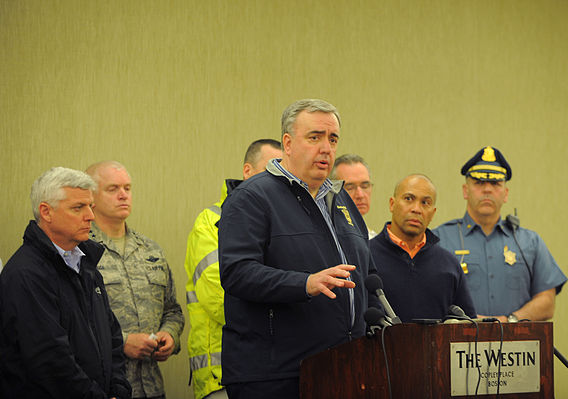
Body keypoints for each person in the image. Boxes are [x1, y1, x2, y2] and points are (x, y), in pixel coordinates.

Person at [218, 99, 376, 399]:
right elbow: (237, 273)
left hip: (343, 367)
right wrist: (305, 283)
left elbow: (368, 275)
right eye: (314, 137)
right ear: (288, 144)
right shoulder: (252, 198)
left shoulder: (342, 201)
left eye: (333, 139)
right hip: (275, 376)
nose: (326, 148)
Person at [0, 167, 131, 398]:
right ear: (46, 212)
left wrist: (119, 390)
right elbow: (50, 362)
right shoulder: (26, 274)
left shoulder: (86, 264)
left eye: (90, 206)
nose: (90, 215)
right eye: (78, 207)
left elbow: (113, 338)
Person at [184, 139, 282, 399]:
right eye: (271, 169)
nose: (277, 179)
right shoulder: (212, 221)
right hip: (223, 372)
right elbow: (221, 298)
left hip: (273, 370)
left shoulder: (281, 221)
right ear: (247, 171)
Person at [434, 146, 567, 322]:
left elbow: (547, 303)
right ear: (465, 191)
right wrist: (470, 321)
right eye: (479, 182)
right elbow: (427, 297)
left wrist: (509, 320)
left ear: (505, 194)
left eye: (496, 183)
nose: (487, 190)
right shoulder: (440, 240)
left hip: (517, 345)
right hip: (458, 344)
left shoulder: (529, 242)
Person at [86, 161, 184, 399]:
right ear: (92, 197)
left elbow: (172, 310)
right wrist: (122, 342)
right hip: (104, 387)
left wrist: (169, 335)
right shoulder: (81, 251)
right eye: (113, 189)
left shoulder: (150, 250)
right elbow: (74, 322)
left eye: (127, 188)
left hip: (152, 387)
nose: (123, 195)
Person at [369, 174, 475, 322]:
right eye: (408, 199)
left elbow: (468, 326)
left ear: (433, 213)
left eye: (425, 202)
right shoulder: (366, 257)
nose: (416, 209)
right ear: (392, 204)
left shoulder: (449, 264)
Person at [331, 154, 377, 238]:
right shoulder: (330, 236)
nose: (360, 195)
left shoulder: (373, 238)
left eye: (365, 186)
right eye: (350, 188)